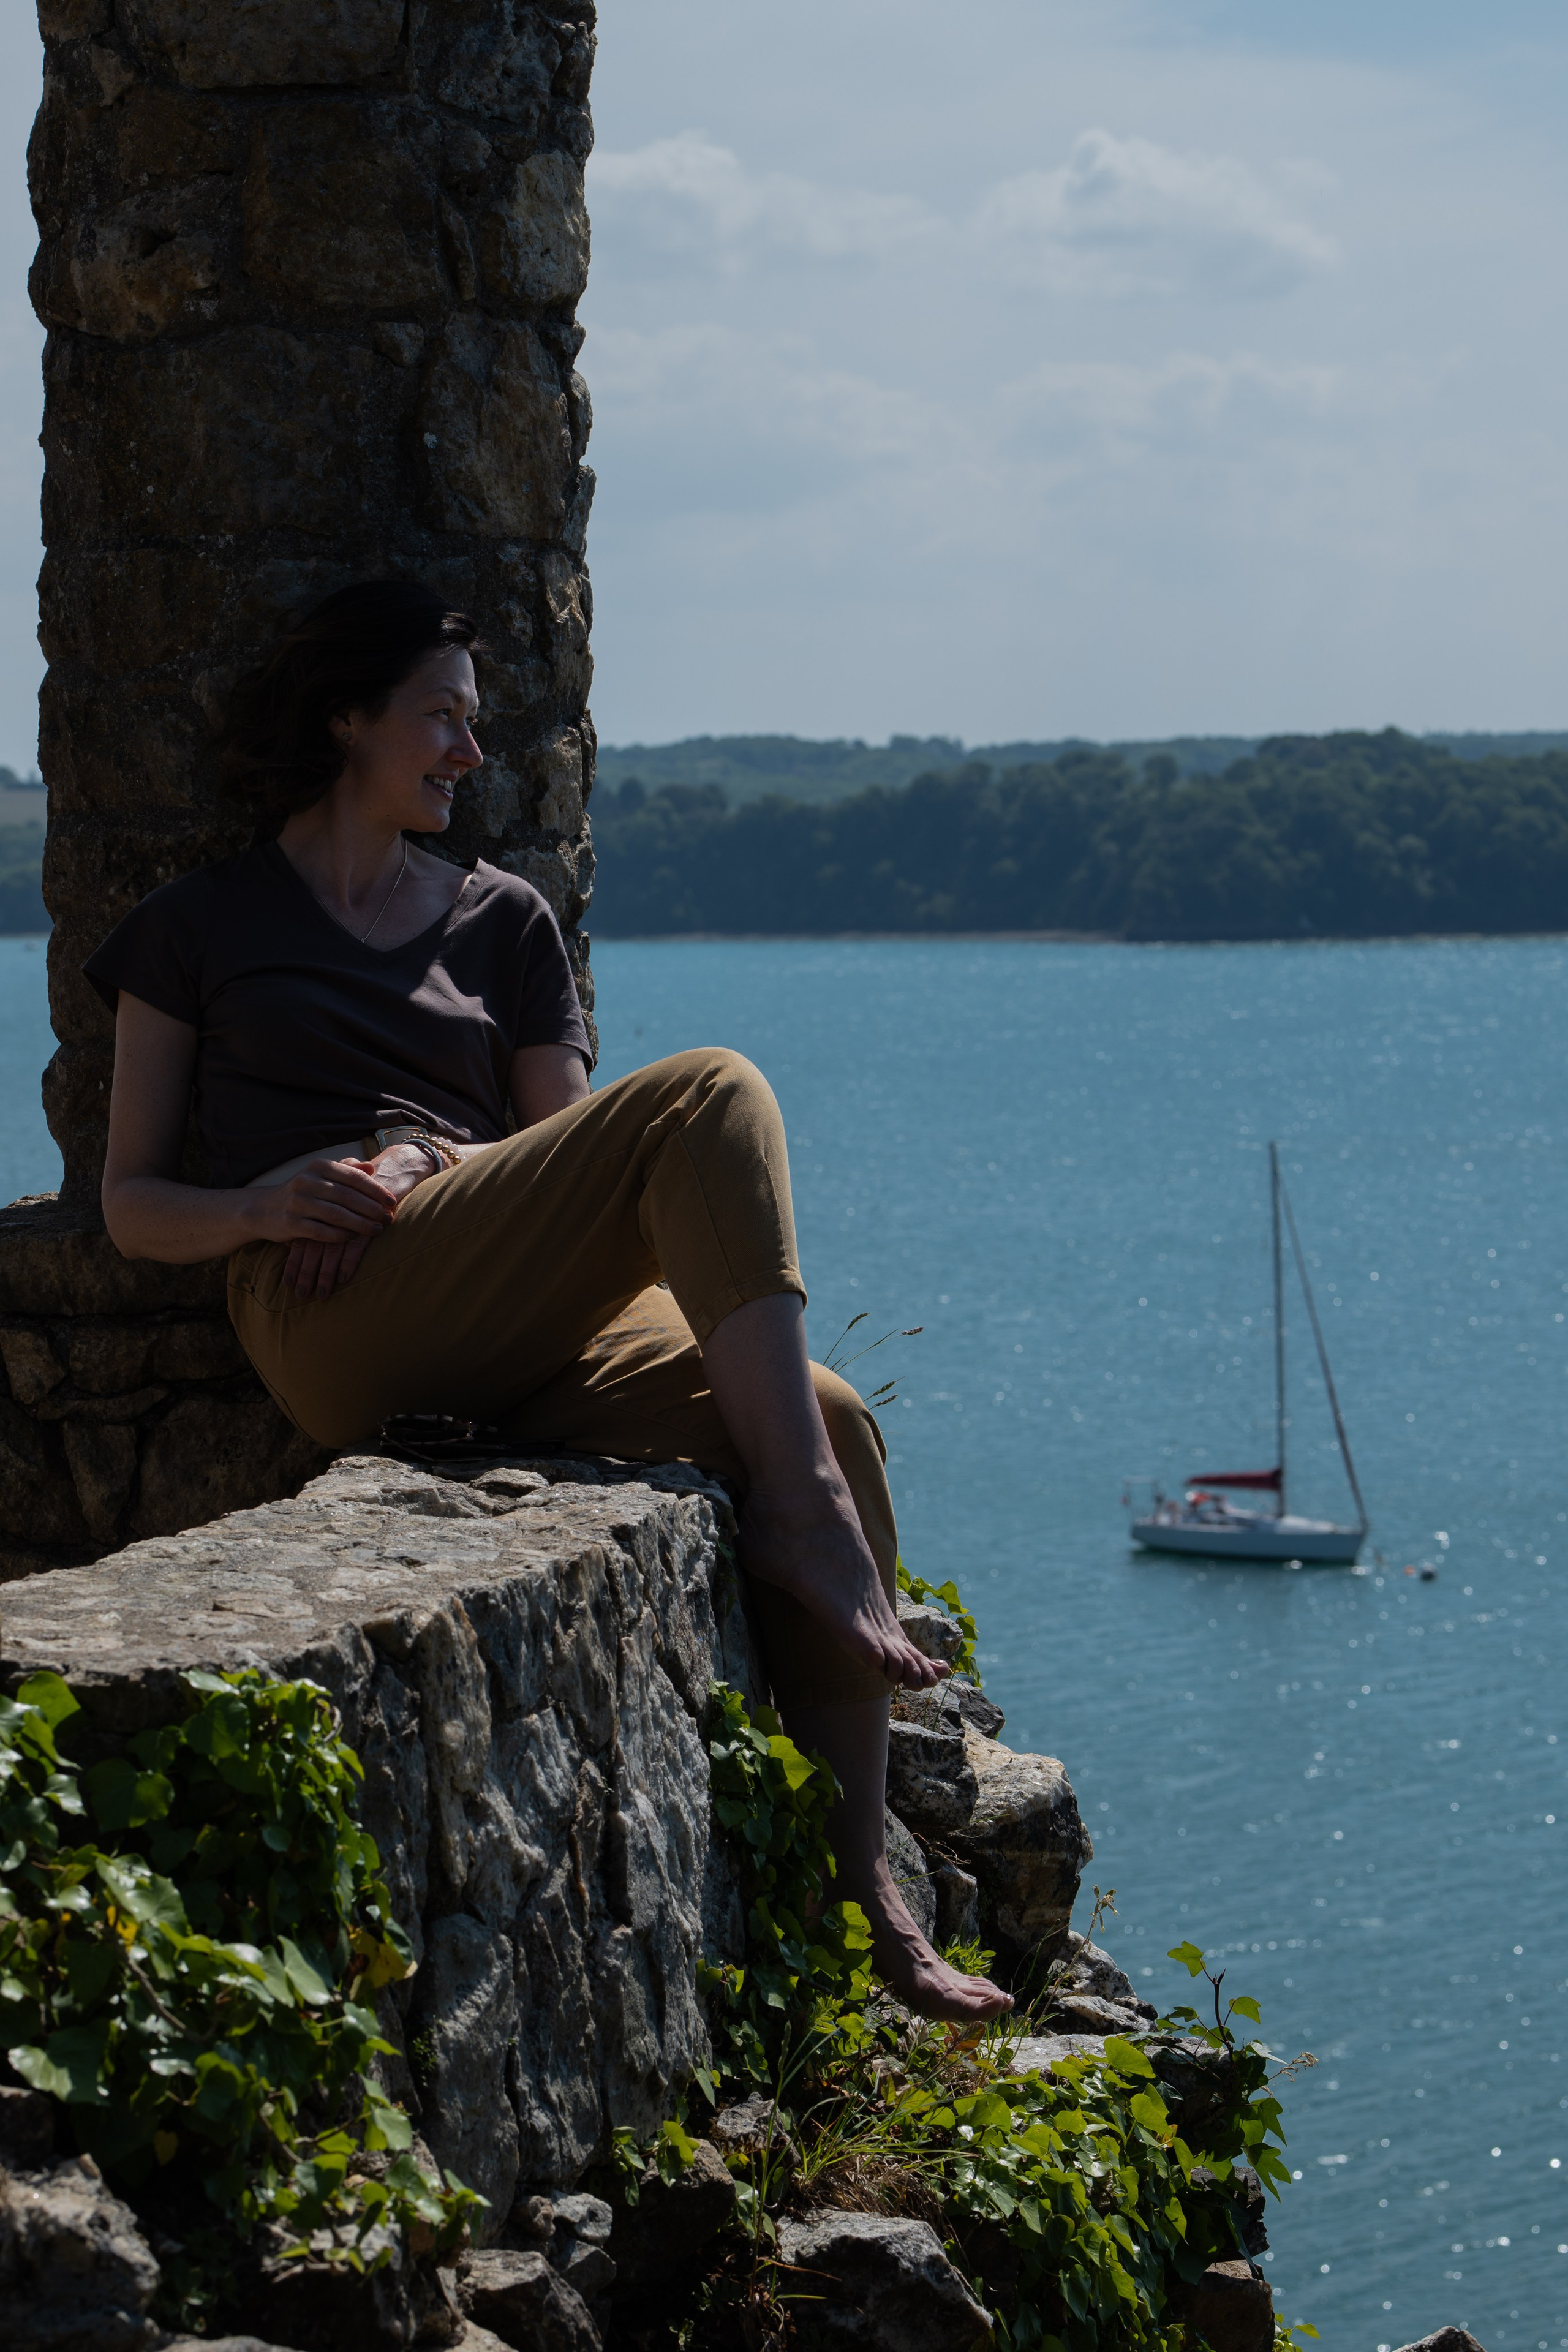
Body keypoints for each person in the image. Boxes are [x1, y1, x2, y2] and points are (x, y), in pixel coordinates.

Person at [90, 578, 1011, 2024]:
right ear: (349, 719)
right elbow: (130, 1205)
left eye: (477, 724)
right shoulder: (196, 927)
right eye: (442, 718)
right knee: (711, 1087)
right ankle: (802, 1520)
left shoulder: (503, 922)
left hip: (499, 1287)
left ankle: (868, 1895)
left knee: (828, 1414)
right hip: (329, 1309)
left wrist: (437, 1160)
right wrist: (269, 1202)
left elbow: (576, 1168)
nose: (470, 752)